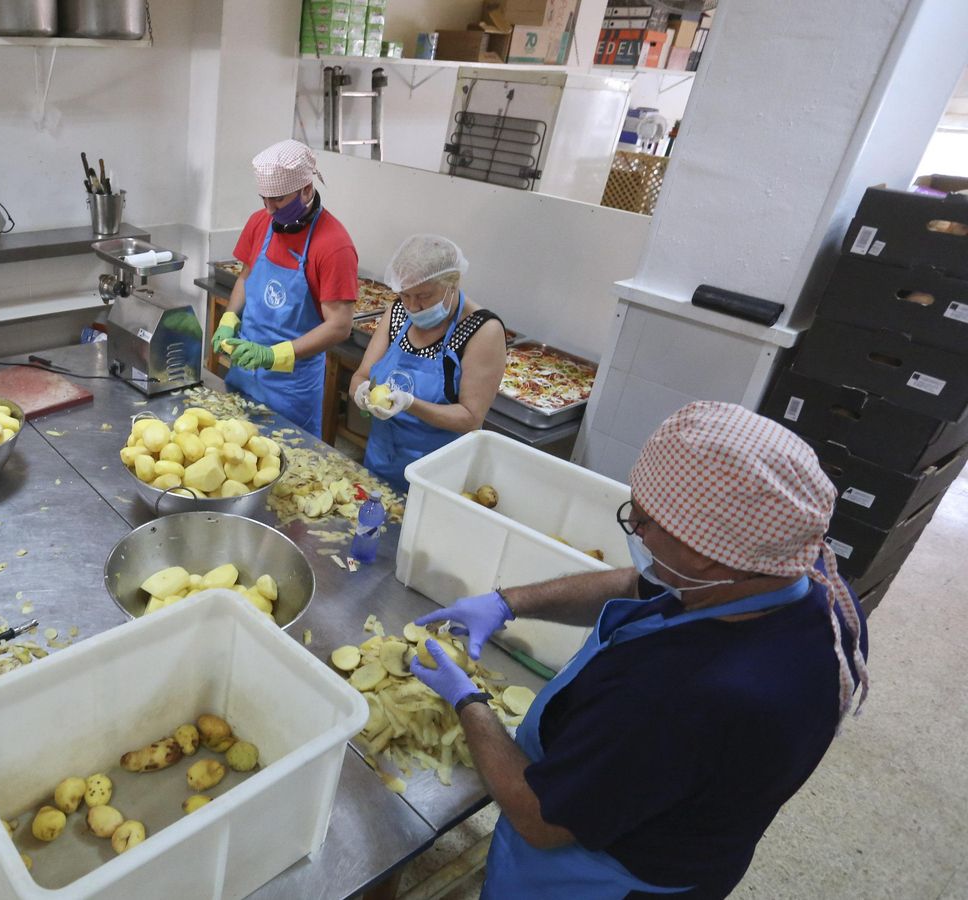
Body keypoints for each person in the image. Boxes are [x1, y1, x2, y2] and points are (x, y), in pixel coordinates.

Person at [409, 402, 869, 899]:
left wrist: (467, 701)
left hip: (599, 876)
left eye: (645, 522)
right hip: (664, 811)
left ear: (706, 556)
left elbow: (538, 817)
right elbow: (644, 582)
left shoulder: (683, 699)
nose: (636, 530)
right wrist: (507, 602)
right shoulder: (801, 585)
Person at [214, 139, 358, 436]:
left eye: (278, 199)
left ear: (307, 189)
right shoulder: (259, 223)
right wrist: (229, 319)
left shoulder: (333, 245)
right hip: (244, 372)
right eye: (263, 198)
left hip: (290, 389)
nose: (268, 209)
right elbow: (246, 277)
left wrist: (273, 356)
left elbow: (339, 326)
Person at [347, 235, 505, 493]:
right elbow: (361, 375)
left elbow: (470, 417)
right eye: (405, 295)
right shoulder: (397, 313)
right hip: (381, 460)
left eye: (423, 295)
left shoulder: (481, 331)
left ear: (452, 284)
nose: (413, 306)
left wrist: (410, 404)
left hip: (436, 476)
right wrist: (362, 393)